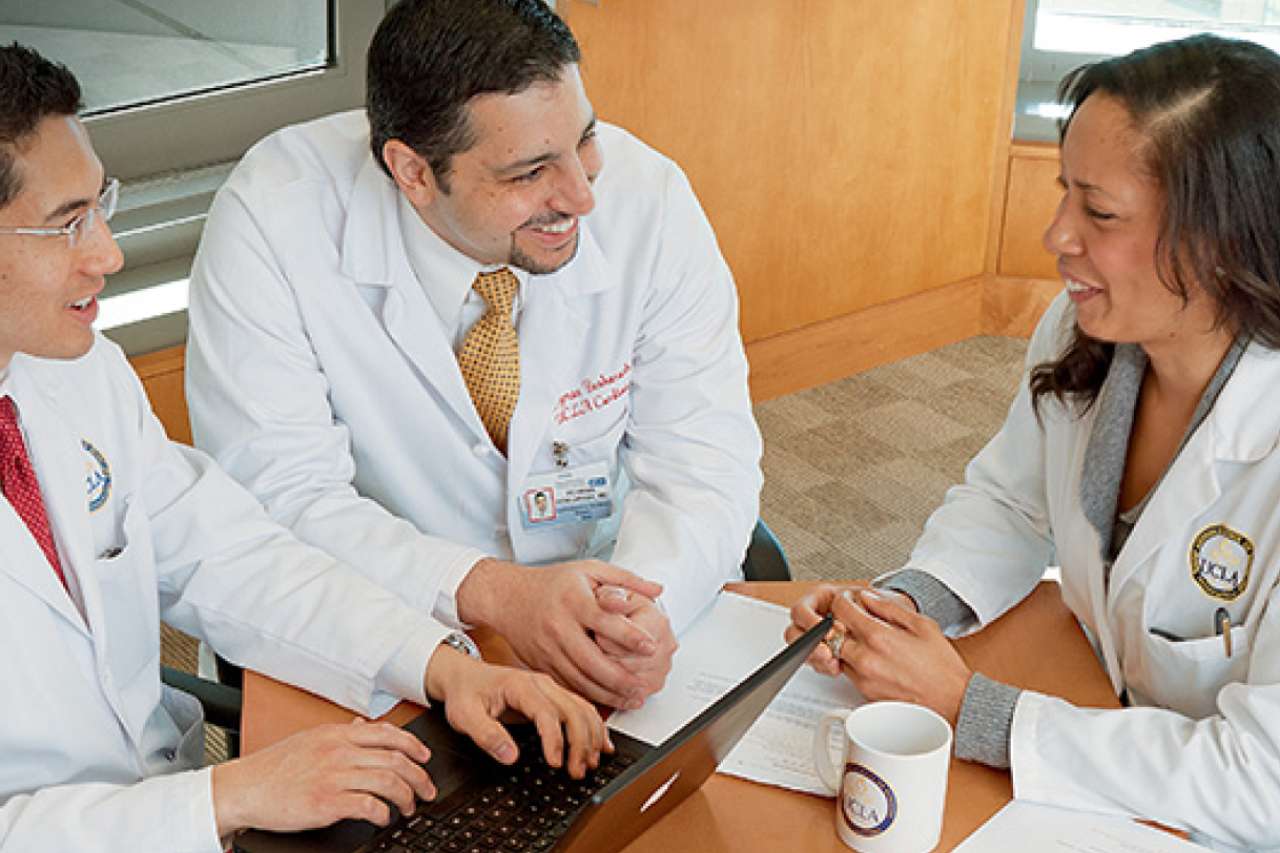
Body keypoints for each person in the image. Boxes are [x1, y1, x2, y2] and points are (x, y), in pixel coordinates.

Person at [0, 43, 609, 853]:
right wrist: (222, 796)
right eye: (67, 222)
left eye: (99, 204)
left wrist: (440, 666)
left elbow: (231, 556)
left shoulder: (73, 375)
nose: (107, 252)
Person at [184, 0, 763, 710]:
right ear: (413, 172)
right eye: (528, 173)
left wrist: (636, 617)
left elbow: (704, 461)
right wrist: (491, 591)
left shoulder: (650, 200)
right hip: (385, 626)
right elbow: (281, 501)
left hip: (602, 593)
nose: (581, 194)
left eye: (584, 138)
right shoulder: (274, 217)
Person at [787, 34, 1280, 851]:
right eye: (1063, 194)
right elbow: (1013, 501)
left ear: (1222, 239)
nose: (1057, 235)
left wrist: (973, 709)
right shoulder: (1089, 331)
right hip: (1108, 744)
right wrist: (901, 610)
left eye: (1100, 210)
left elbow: (1262, 782)